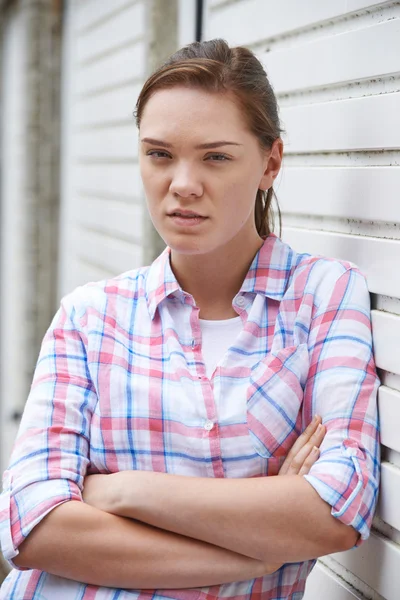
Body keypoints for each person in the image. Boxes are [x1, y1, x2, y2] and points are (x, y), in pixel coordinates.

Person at [0, 39, 380, 600]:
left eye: (216, 156)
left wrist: (123, 492)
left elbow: (336, 511)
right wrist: (268, 546)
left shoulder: (322, 297)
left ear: (270, 163)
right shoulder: (90, 316)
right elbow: (31, 526)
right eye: (159, 154)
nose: (182, 184)